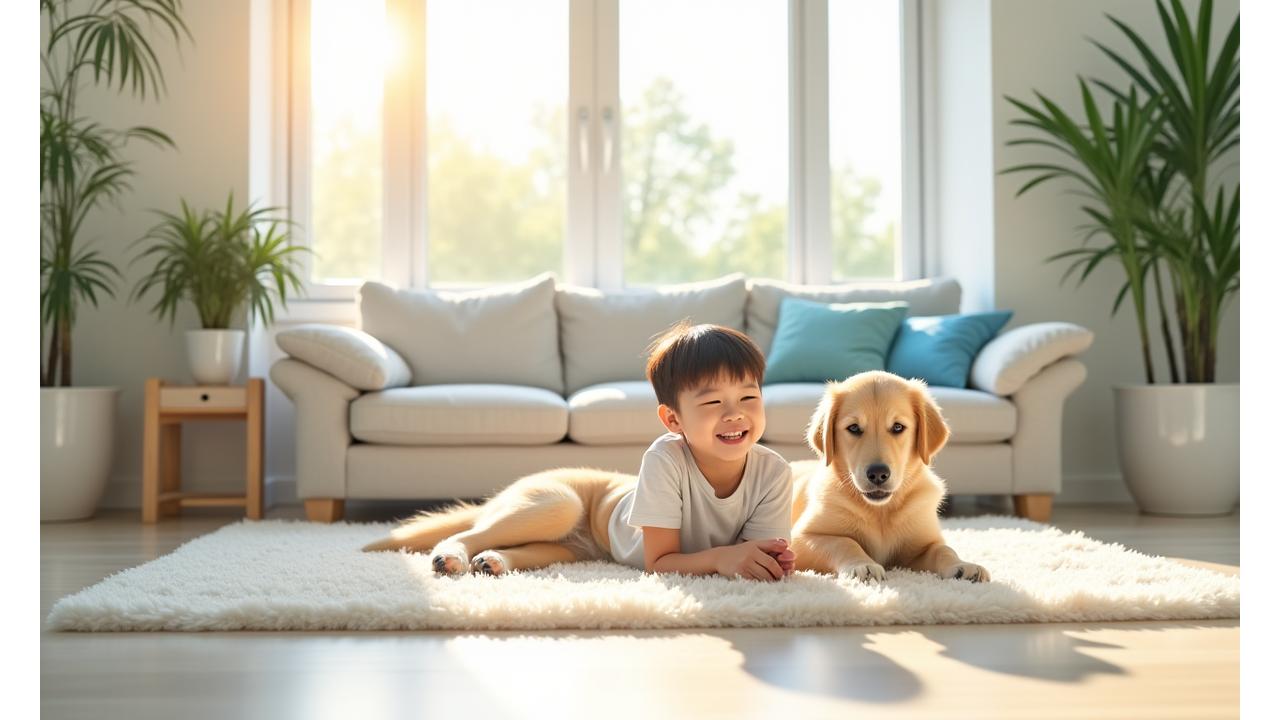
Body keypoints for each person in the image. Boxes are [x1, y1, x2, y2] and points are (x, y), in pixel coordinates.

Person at [607, 321, 796, 581]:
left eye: (748, 398)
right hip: (607, 518)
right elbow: (658, 564)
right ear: (673, 419)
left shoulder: (774, 472)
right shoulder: (664, 459)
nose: (734, 414)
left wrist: (767, 561)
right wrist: (720, 558)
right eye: (713, 401)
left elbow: (753, 557)